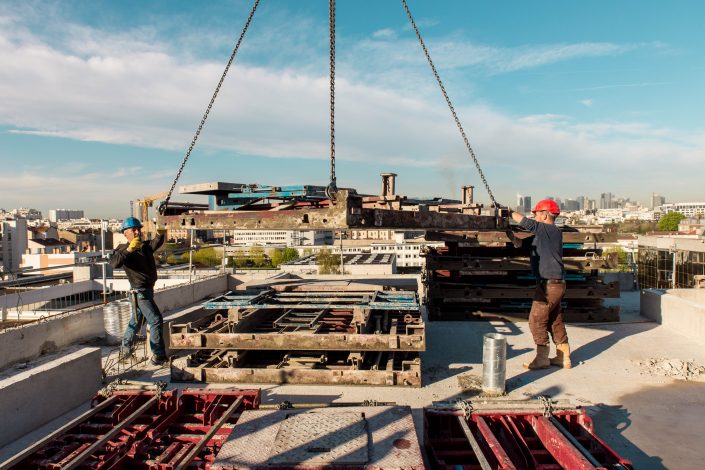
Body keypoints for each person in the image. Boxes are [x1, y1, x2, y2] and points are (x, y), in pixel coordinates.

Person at [508, 200, 571, 369]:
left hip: (549, 286)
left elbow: (527, 223)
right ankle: (563, 357)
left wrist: (507, 212)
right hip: (553, 284)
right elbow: (520, 243)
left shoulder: (551, 230)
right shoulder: (543, 236)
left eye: (536, 214)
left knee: (535, 320)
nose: (533, 216)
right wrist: (509, 234)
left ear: (544, 214)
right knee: (554, 320)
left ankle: (542, 358)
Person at [110, 217, 168, 366]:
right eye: (133, 230)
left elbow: (156, 242)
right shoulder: (123, 249)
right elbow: (114, 263)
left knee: (136, 322)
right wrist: (130, 249)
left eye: (138, 229)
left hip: (147, 291)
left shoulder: (144, 247)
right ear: (125, 233)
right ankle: (158, 355)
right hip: (140, 293)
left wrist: (161, 231)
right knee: (155, 320)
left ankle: (125, 351)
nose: (137, 232)